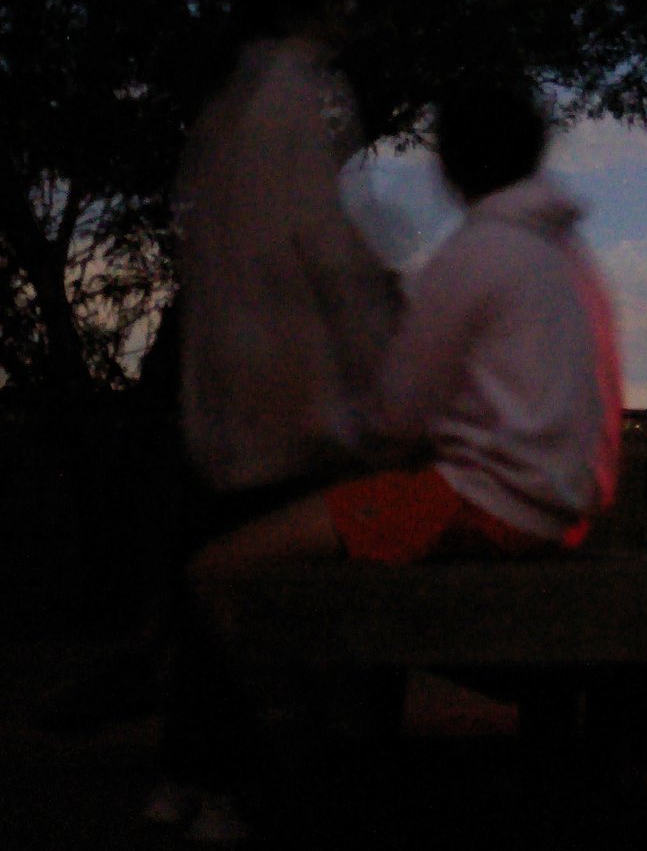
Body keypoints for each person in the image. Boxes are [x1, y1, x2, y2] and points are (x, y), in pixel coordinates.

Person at [152, 0, 402, 843]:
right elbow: (326, 245)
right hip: (288, 391)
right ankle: (241, 787)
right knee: (269, 597)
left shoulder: (229, 101)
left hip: (225, 384)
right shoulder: (309, 98)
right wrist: (372, 359)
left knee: (216, 579)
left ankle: (188, 771)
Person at [194, 78, 624, 572]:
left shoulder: (476, 252)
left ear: (451, 163)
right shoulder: (566, 256)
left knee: (223, 564)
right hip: (553, 514)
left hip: (479, 505)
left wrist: (329, 420)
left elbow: (399, 413)